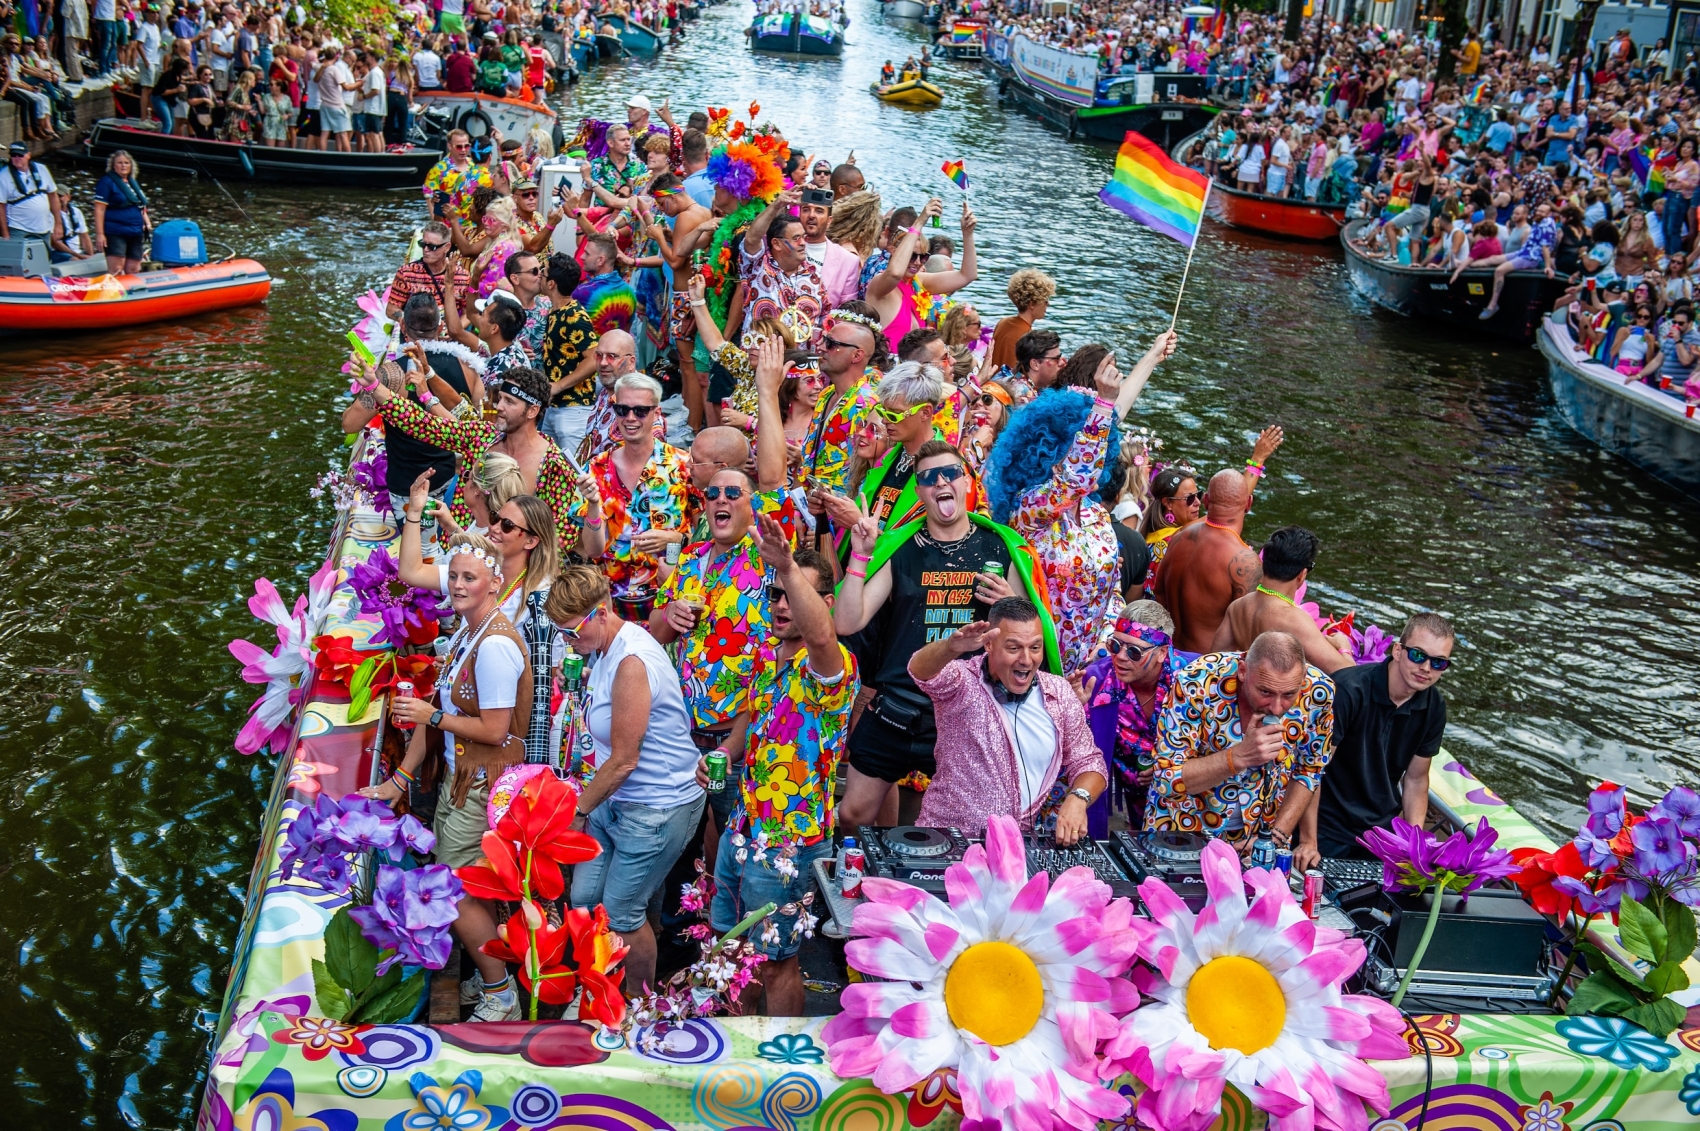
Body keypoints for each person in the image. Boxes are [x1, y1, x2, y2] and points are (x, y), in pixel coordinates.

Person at [833, 440, 1053, 828]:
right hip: (897, 705)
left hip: (968, 710)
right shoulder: (899, 547)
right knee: (851, 815)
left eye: (949, 473)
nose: (940, 483)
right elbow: (848, 622)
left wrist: (1010, 598)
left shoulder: (1002, 547)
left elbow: (1033, 631)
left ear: (966, 482)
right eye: (928, 478)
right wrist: (861, 553)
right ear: (918, 492)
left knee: (965, 825)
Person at [368, 532, 532, 1022]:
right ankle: (490, 979)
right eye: (454, 576)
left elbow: (496, 729)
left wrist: (430, 715)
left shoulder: (496, 646)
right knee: (466, 886)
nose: (458, 586)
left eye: (469, 578)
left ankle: (501, 994)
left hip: (484, 783)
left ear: (495, 584)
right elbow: (435, 711)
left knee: (453, 887)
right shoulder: (466, 633)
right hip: (461, 779)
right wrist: (400, 778)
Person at [701, 524, 854, 1016]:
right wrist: (723, 751)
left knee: (775, 963)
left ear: (823, 602)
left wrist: (787, 567)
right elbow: (752, 716)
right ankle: (737, 1051)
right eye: (776, 592)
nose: (783, 602)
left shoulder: (833, 665)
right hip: (742, 828)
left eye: (796, 594)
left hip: (791, 841)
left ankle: (780, 1063)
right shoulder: (766, 656)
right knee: (731, 950)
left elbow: (823, 636)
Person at [549, 566, 706, 998]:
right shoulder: (603, 648)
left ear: (601, 612)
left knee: (622, 916)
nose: (568, 643)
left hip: (656, 807)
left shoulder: (631, 663)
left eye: (571, 631)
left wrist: (577, 811)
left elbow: (623, 761)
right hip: (613, 802)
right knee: (582, 904)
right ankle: (595, 990)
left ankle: (638, 1006)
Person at [986, 335, 1176, 673]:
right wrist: (1103, 405)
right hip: (1033, 667)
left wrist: (1103, 650)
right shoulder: (1030, 509)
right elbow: (1076, 480)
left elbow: (1111, 592)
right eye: (1083, 447)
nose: (1095, 455)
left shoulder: (1095, 513)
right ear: (1051, 454)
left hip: (1087, 671)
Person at [909, 596, 1106, 840]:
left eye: (1035, 647)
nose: (1026, 659)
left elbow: (1089, 761)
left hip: (1014, 849)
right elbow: (919, 670)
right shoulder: (962, 681)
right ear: (989, 645)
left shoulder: (1060, 693)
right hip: (948, 840)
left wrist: (1079, 799)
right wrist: (950, 648)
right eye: (1013, 648)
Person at [1146, 631, 1335, 852]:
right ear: (1243, 671)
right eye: (1265, 691)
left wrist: (1276, 837)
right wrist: (1239, 756)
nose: (1276, 707)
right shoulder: (1197, 681)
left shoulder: (1318, 692)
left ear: (1303, 678)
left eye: (1288, 695)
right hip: (1182, 826)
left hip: (1259, 836)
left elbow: (1310, 770)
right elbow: (1166, 779)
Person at [365, 364, 585, 551]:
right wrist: (374, 386)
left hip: (508, 578)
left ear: (532, 411)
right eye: (500, 399)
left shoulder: (554, 466)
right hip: (457, 553)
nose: (498, 407)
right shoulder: (482, 437)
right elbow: (421, 423)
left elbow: (561, 536)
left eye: (509, 401)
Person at [1300, 613, 1454, 870]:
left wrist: (1414, 846)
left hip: (1379, 834)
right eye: (1418, 655)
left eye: (1438, 662)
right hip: (1326, 826)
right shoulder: (1349, 690)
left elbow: (1416, 780)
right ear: (1397, 651)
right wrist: (1308, 841)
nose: (1426, 668)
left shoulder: (1434, 706)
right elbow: (1313, 770)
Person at [569, 372, 693, 623]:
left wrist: (676, 539)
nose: (630, 418)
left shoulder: (683, 466)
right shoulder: (597, 468)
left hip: (667, 605)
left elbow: (708, 536)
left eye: (640, 411)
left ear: (656, 413)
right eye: (622, 409)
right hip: (611, 608)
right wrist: (594, 506)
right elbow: (592, 549)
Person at [1080, 600, 1176, 828]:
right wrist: (1071, 708)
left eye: (1134, 651)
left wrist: (1170, 769)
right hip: (1133, 802)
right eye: (1115, 645)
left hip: (1185, 801)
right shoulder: (1095, 681)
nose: (1121, 657)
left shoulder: (1190, 678)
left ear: (1162, 653)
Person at [1214, 526, 1354, 674]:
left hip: (1250, 691)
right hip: (1281, 696)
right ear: (1302, 575)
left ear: (1264, 564)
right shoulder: (1294, 620)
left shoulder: (1237, 607)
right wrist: (1344, 648)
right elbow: (1350, 676)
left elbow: (1215, 660)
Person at [1153, 467, 1264, 653]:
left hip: (1167, 657)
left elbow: (1159, 593)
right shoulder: (1245, 561)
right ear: (1249, 504)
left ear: (1205, 500)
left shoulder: (1179, 538)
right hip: (1205, 671)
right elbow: (1248, 637)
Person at [740, 189, 825, 335]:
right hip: (761, 355)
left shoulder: (813, 275)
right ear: (777, 244)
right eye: (796, 238)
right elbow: (751, 239)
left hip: (802, 356)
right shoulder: (758, 267)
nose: (803, 243)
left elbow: (824, 319)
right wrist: (776, 205)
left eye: (804, 237)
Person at [387, 220, 471, 320]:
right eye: (423, 244)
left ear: (447, 247)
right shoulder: (406, 273)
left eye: (432, 247)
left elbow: (468, 313)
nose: (426, 250)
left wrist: (454, 331)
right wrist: (410, 321)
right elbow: (391, 309)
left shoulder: (462, 276)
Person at [799, 186, 860, 308]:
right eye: (806, 210)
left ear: (829, 220)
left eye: (819, 211)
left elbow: (846, 311)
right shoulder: (783, 246)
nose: (811, 215)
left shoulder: (847, 261)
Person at [92, 150, 150, 276]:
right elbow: (99, 209)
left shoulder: (132, 182)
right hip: (115, 231)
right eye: (119, 163)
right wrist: (100, 234)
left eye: (126, 163)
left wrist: (147, 222)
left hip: (135, 231)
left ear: (131, 165)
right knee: (117, 269)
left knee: (134, 268)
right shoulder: (106, 182)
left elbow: (139, 205)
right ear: (114, 166)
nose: (123, 165)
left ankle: (134, 293)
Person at [574, 234, 637, 336]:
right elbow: (625, 333)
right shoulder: (630, 292)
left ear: (601, 260)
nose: (582, 257)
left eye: (587, 253)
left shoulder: (583, 293)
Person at [0, 141, 60, 246]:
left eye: (20, 155)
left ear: (28, 155)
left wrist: (58, 224)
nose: (16, 158)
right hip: (18, 228)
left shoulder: (42, 169)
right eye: (13, 155)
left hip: (44, 227)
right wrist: (5, 235)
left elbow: (53, 196)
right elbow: (1, 207)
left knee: (43, 258)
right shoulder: (3, 176)